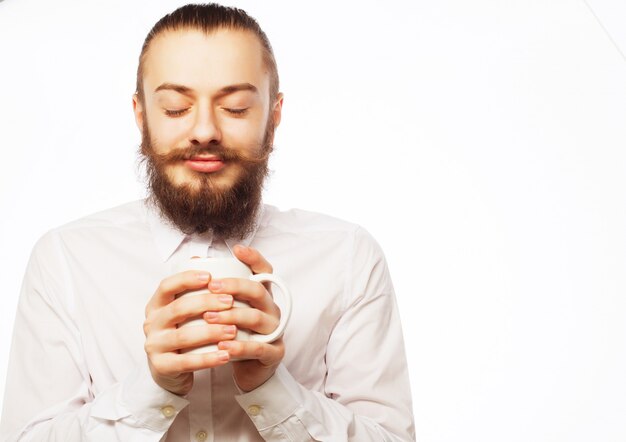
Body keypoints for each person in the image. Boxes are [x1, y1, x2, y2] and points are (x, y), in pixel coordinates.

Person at [0, 3, 415, 441]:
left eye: (235, 108)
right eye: (176, 108)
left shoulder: (347, 257)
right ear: (141, 117)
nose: (204, 131)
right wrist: (151, 389)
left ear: (273, 118)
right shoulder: (66, 259)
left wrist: (273, 388)